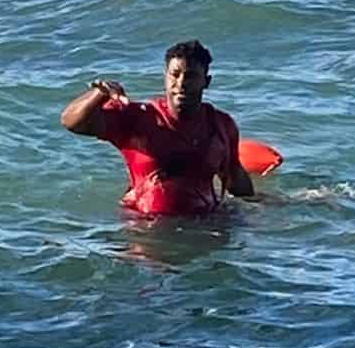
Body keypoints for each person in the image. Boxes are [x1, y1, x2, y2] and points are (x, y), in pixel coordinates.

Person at [61, 40, 255, 217]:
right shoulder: (138, 118)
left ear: (207, 82)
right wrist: (100, 93)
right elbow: (72, 122)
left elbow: (234, 177)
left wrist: (261, 203)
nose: (181, 84)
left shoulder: (221, 125)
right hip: (146, 228)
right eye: (175, 75)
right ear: (165, 77)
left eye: (191, 76)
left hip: (205, 224)